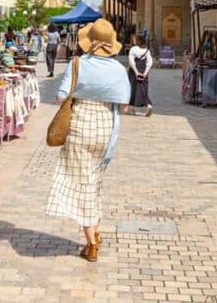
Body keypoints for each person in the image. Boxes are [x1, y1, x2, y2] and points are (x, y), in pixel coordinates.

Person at [46, 19, 130, 263]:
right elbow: (123, 107)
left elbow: (61, 97)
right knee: (95, 181)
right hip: (106, 129)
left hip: (80, 126)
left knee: (83, 184)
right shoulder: (118, 69)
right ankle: (97, 231)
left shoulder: (78, 64)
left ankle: (91, 243)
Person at [126, 34, 153, 116]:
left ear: (138, 40)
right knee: (143, 89)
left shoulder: (133, 49)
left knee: (132, 88)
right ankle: (148, 105)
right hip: (143, 70)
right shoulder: (146, 50)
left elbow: (131, 62)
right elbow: (149, 62)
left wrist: (136, 72)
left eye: (135, 39)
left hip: (134, 72)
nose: (134, 40)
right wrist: (145, 73)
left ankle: (132, 109)